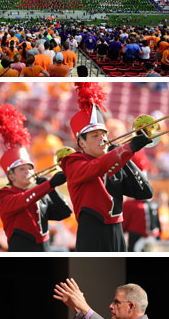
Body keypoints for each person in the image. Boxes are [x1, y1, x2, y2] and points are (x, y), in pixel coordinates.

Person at [61, 82, 154, 252]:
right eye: (95, 136)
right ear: (81, 142)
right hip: (92, 234)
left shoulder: (114, 160)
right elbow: (97, 167)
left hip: (117, 232)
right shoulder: (73, 162)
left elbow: (146, 192)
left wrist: (126, 156)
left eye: (104, 134)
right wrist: (127, 149)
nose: (102, 139)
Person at [0, 104, 72, 252]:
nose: (28, 172)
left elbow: (64, 213)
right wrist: (48, 185)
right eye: (22, 169)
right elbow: (22, 200)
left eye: (29, 168)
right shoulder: (3, 195)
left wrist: (52, 189)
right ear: (11, 175)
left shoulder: (40, 192)